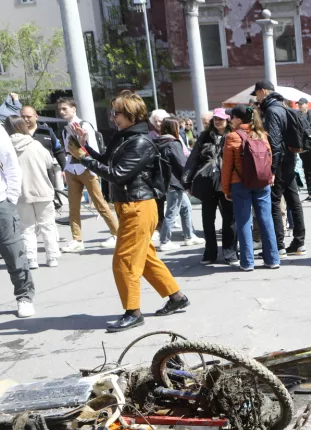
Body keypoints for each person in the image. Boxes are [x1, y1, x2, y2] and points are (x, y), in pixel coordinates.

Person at [68, 90, 189, 332]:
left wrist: (82, 158)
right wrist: (85, 149)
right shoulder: (127, 137)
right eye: (113, 113)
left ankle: (133, 312)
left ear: (132, 114)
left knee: (124, 261)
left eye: (117, 113)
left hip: (138, 206)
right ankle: (176, 297)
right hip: (131, 206)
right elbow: (107, 161)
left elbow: (117, 173)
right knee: (145, 258)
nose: (113, 117)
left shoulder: (140, 141)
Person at [222, 104, 280, 272]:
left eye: (232, 117)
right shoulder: (261, 134)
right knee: (266, 219)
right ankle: (273, 259)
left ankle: (248, 262)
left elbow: (227, 167)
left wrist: (226, 189)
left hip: (239, 183)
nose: (230, 120)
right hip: (262, 183)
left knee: (244, 221)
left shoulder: (232, 137)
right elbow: (268, 160)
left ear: (239, 119)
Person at [57, 97, 119, 252]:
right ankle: (77, 239)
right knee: (73, 206)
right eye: (60, 109)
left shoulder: (85, 126)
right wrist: (66, 168)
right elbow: (67, 150)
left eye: (65, 108)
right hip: (72, 169)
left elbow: (93, 149)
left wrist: (93, 170)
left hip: (87, 169)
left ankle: (117, 234)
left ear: (73, 108)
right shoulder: (65, 130)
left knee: (100, 203)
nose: (61, 112)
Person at [254, 80, 306, 255]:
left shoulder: (271, 110)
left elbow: (274, 143)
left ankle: (278, 245)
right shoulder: (283, 107)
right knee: (293, 199)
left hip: (280, 161)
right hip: (290, 158)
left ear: (262, 91)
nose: (257, 98)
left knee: (275, 201)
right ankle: (299, 242)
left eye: (257, 94)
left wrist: (273, 170)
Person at [6, 117, 61, 269]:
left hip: (20, 193)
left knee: (26, 227)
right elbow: (50, 162)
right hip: (42, 190)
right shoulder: (35, 144)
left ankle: (31, 259)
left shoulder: (6, 147)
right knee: (47, 225)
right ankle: (52, 257)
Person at [186, 108, 237, 265]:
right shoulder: (204, 136)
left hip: (227, 181)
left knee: (229, 219)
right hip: (208, 181)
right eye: (215, 118)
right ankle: (210, 253)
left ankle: (230, 253)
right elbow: (193, 159)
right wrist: (187, 180)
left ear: (227, 120)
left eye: (221, 118)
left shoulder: (233, 136)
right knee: (208, 219)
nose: (218, 121)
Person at [0, 122, 37, 318]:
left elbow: (11, 165)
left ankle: (24, 296)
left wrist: (10, 199)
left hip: (1, 203)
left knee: (13, 252)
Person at [153, 118, 202, 250]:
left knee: (186, 208)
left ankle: (189, 236)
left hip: (166, 181)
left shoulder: (157, 142)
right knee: (172, 212)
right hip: (175, 182)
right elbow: (182, 164)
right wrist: (190, 178)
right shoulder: (173, 143)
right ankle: (164, 241)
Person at [20, 105, 66, 170]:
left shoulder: (47, 131)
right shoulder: (17, 134)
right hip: (26, 171)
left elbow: (58, 151)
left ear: (36, 117)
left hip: (47, 170)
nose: (25, 119)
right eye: (22, 117)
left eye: (28, 117)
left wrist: (64, 169)